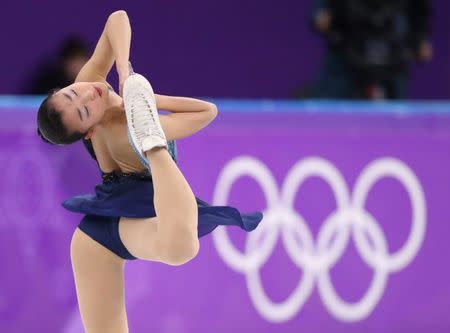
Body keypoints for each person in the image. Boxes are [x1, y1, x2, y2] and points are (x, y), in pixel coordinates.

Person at [36, 10, 263, 333]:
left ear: (64, 87)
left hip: (138, 215)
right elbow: (206, 111)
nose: (87, 94)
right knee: (181, 246)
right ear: (88, 132)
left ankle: (152, 140)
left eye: (72, 92)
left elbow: (117, 18)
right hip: (100, 235)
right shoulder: (113, 131)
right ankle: (152, 143)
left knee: (180, 246)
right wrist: (144, 105)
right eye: (85, 111)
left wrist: (130, 84)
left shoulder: (90, 81)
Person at [311, 0, 432, 99]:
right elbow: (319, 13)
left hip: (393, 54)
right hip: (346, 50)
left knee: (398, 117)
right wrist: (319, 14)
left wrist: (421, 39)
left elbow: (420, 11)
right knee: (330, 111)